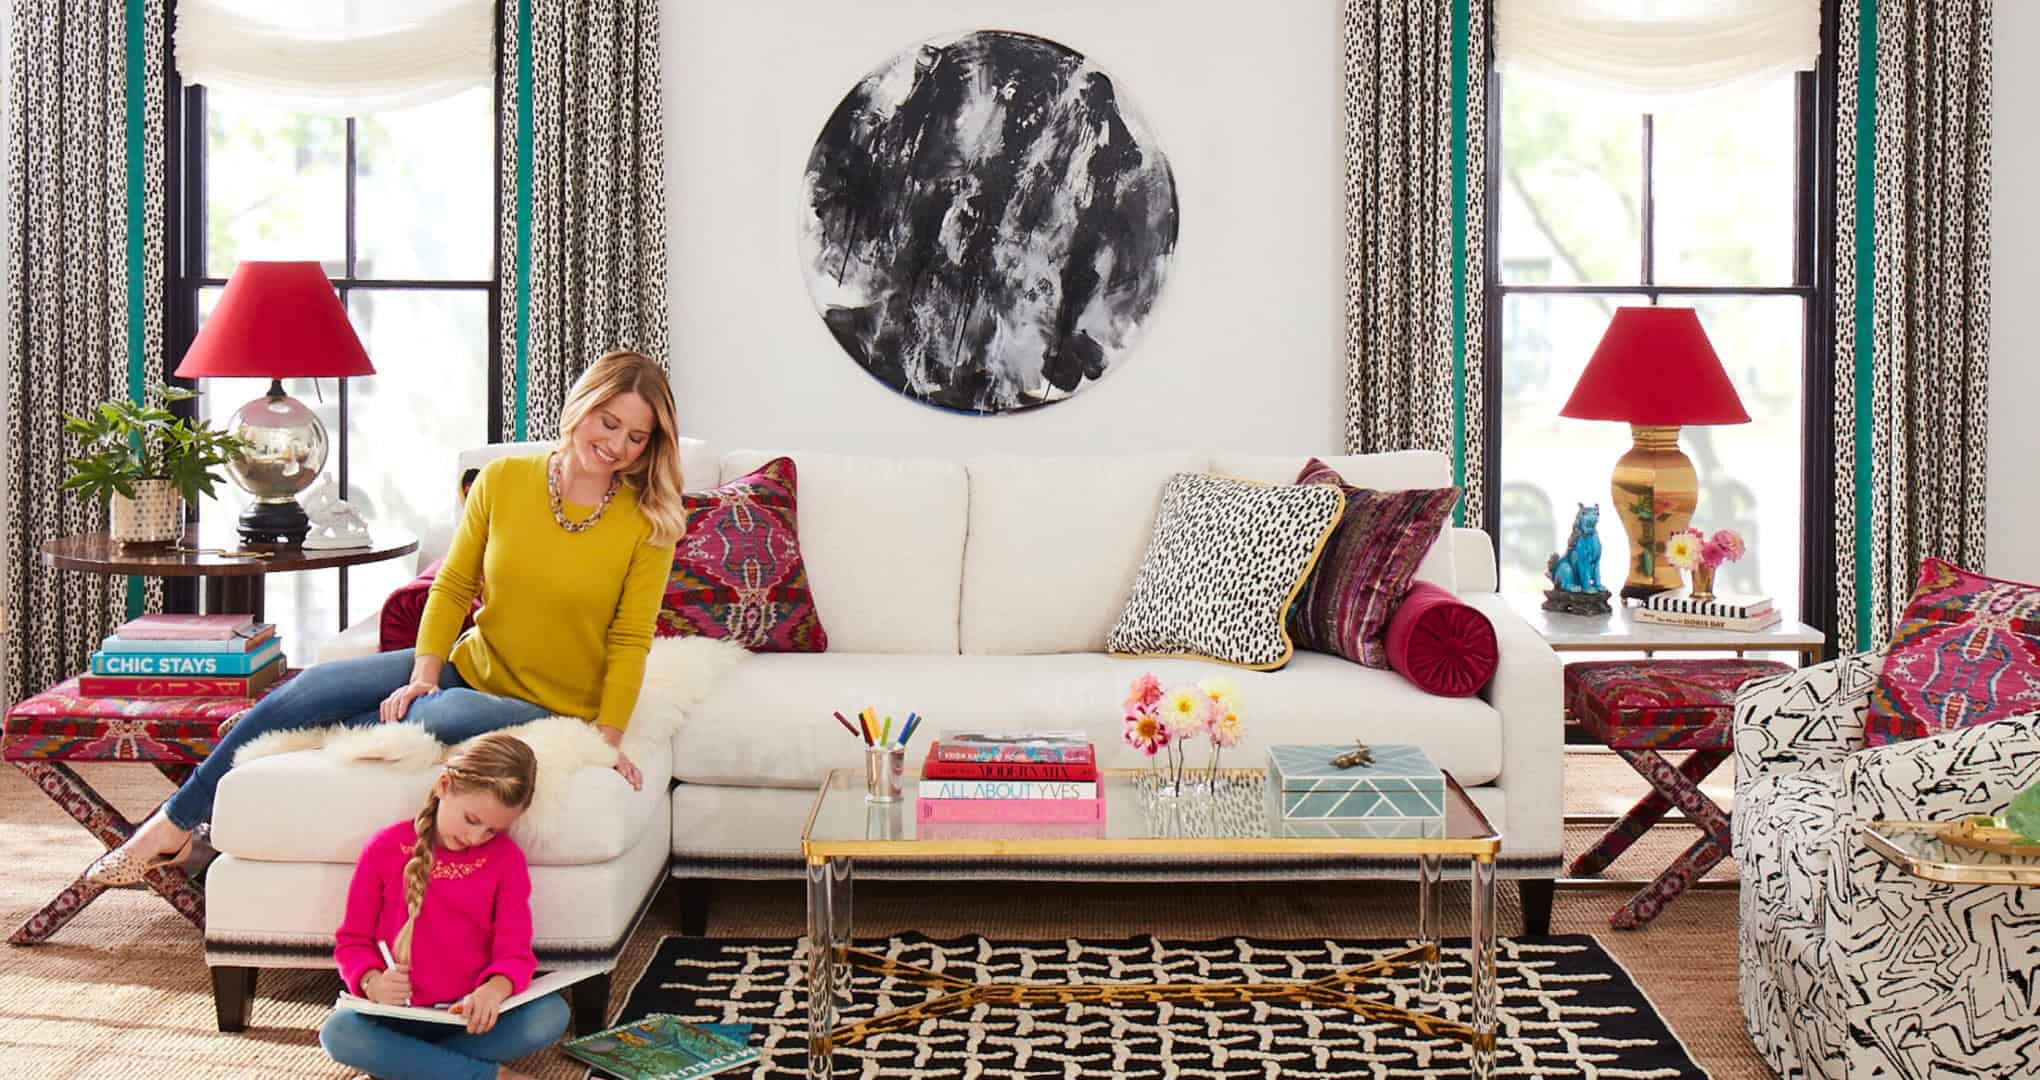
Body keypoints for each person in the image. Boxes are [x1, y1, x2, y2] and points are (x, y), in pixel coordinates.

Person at [87, 350, 687, 885]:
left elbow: (631, 638)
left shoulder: (648, 522)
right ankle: (172, 824)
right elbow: (453, 585)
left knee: (438, 715)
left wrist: (603, 741)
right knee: (318, 685)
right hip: (472, 663)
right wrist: (425, 670)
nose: (617, 445)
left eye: (637, 437)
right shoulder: (506, 480)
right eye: (610, 422)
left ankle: (262, 754)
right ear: (582, 407)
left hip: (555, 699)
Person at [319, 733, 561, 1080]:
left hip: (470, 1022)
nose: (476, 838)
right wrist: (373, 983)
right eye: (472, 820)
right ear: (444, 786)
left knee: (549, 1014)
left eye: (492, 830)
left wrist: (493, 991)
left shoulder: (506, 861)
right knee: (339, 1033)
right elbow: (352, 941)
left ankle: (407, 1067)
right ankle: (487, 1076)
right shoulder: (385, 848)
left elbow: (515, 952)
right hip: (396, 1019)